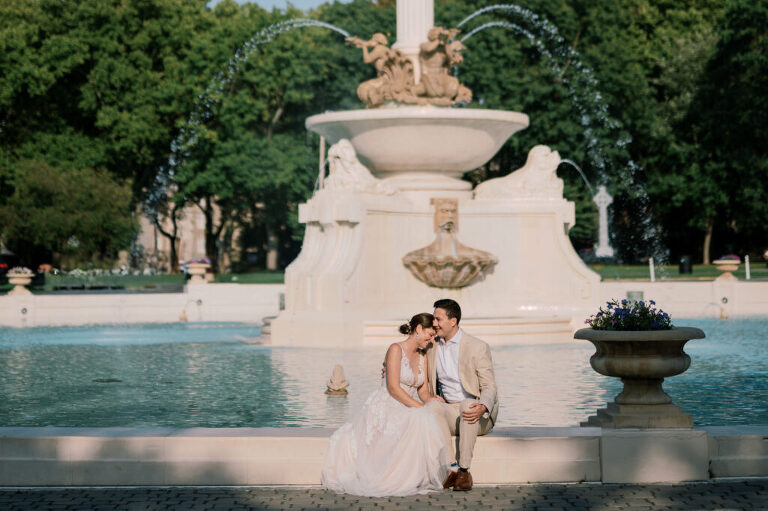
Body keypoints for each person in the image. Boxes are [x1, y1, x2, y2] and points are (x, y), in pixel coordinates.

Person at [321, 313, 449, 497]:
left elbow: (422, 391)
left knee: (425, 415)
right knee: (419, 417)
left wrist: (431, 400)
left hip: (408, 403)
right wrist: (420, 408)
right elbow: (394, 388)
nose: (431, 341)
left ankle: (416, 476)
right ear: (418, 329)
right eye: (429, 335)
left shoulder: (423, 356)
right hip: (388, 403)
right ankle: (402, 478)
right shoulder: (396, 349)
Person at [426, 299, 498, 491]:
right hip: (450, 411)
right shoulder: (431, 346)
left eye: (438, 319)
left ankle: (465, 472)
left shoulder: (477, 346)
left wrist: (483, 405)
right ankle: (452, 468)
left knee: (468, 404)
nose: (434, 323)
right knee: (432, 406)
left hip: (477, 411)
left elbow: (490, 386)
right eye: (434, 318)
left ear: (453, 321)